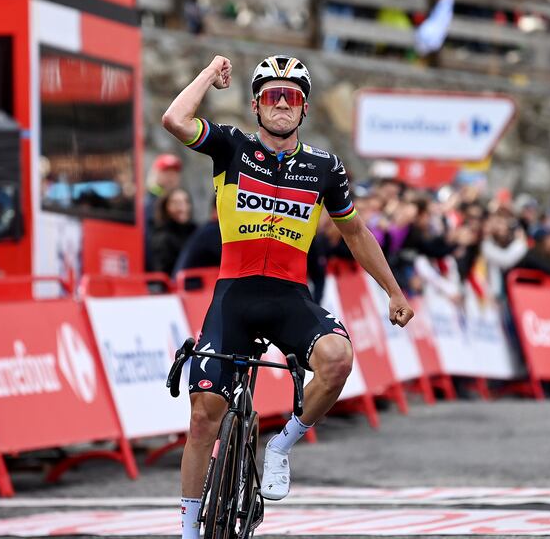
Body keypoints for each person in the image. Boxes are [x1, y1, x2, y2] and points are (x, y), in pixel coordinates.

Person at [162, 54, 412, 536]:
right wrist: (211, 72)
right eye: (272, 96)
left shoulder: (324, 167)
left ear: (304, 109)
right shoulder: (232, 148)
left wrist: (394, 292)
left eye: (291, 96)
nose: (281, 103)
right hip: (233, 297)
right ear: (256, 107)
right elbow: (175, 119)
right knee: (201, 419)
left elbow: (357, 234)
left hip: (289, 298)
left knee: (339, 358)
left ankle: (280, 446)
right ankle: (190, 530)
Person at [147, 187, 196, 276]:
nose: (182, 207)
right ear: (166, 207)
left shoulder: (195, 231)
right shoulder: (162, 237)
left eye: (186, 202)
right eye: (176, 203)